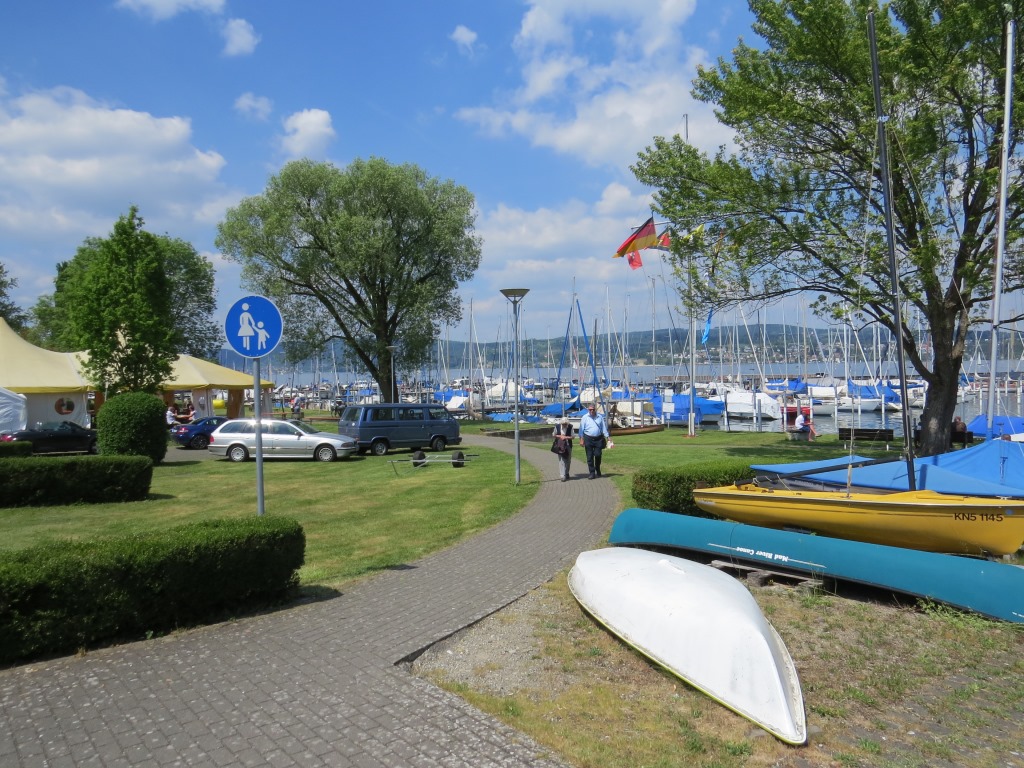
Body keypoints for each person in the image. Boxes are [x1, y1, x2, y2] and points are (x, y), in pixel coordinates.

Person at [579, 404, 610, 479]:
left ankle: (597, 468)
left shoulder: (599, 417)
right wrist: (581, 439)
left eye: (593, 409)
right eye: (590, 410)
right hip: (588, 438)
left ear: (595, 409)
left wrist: (608, 437)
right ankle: (592, 473)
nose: (592, 411)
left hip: (598, 439)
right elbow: (581, 429)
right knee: (589, 457)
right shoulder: (585, 417)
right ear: (588, 410)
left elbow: (603, 427)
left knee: (598, 454)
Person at [552, 418, 574, 482]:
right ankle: (562, 475)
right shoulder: (557, 427)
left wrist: (566, 437)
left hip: (568, 445)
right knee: (561, 460)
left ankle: (566, 473)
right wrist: (560, 436)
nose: (564, 425)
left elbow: (573, 437)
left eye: (566, 424)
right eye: (563, 424)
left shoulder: (570, 427)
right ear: (561, 423)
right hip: (560, 445)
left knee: (568, 460)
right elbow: (553, 435)